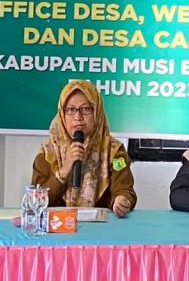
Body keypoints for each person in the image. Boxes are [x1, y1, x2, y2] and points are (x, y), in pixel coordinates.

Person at [31, 80, 136, 217]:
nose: (78, 117)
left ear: (97, 112)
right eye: (71, 109)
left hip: (102, 227)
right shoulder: (48, 152)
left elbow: (124, 189)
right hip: (58, 226)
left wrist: (122, 199)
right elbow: (36, 201)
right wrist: (64, 171)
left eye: (86, 109)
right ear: (62, 114)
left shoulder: (114, 151)